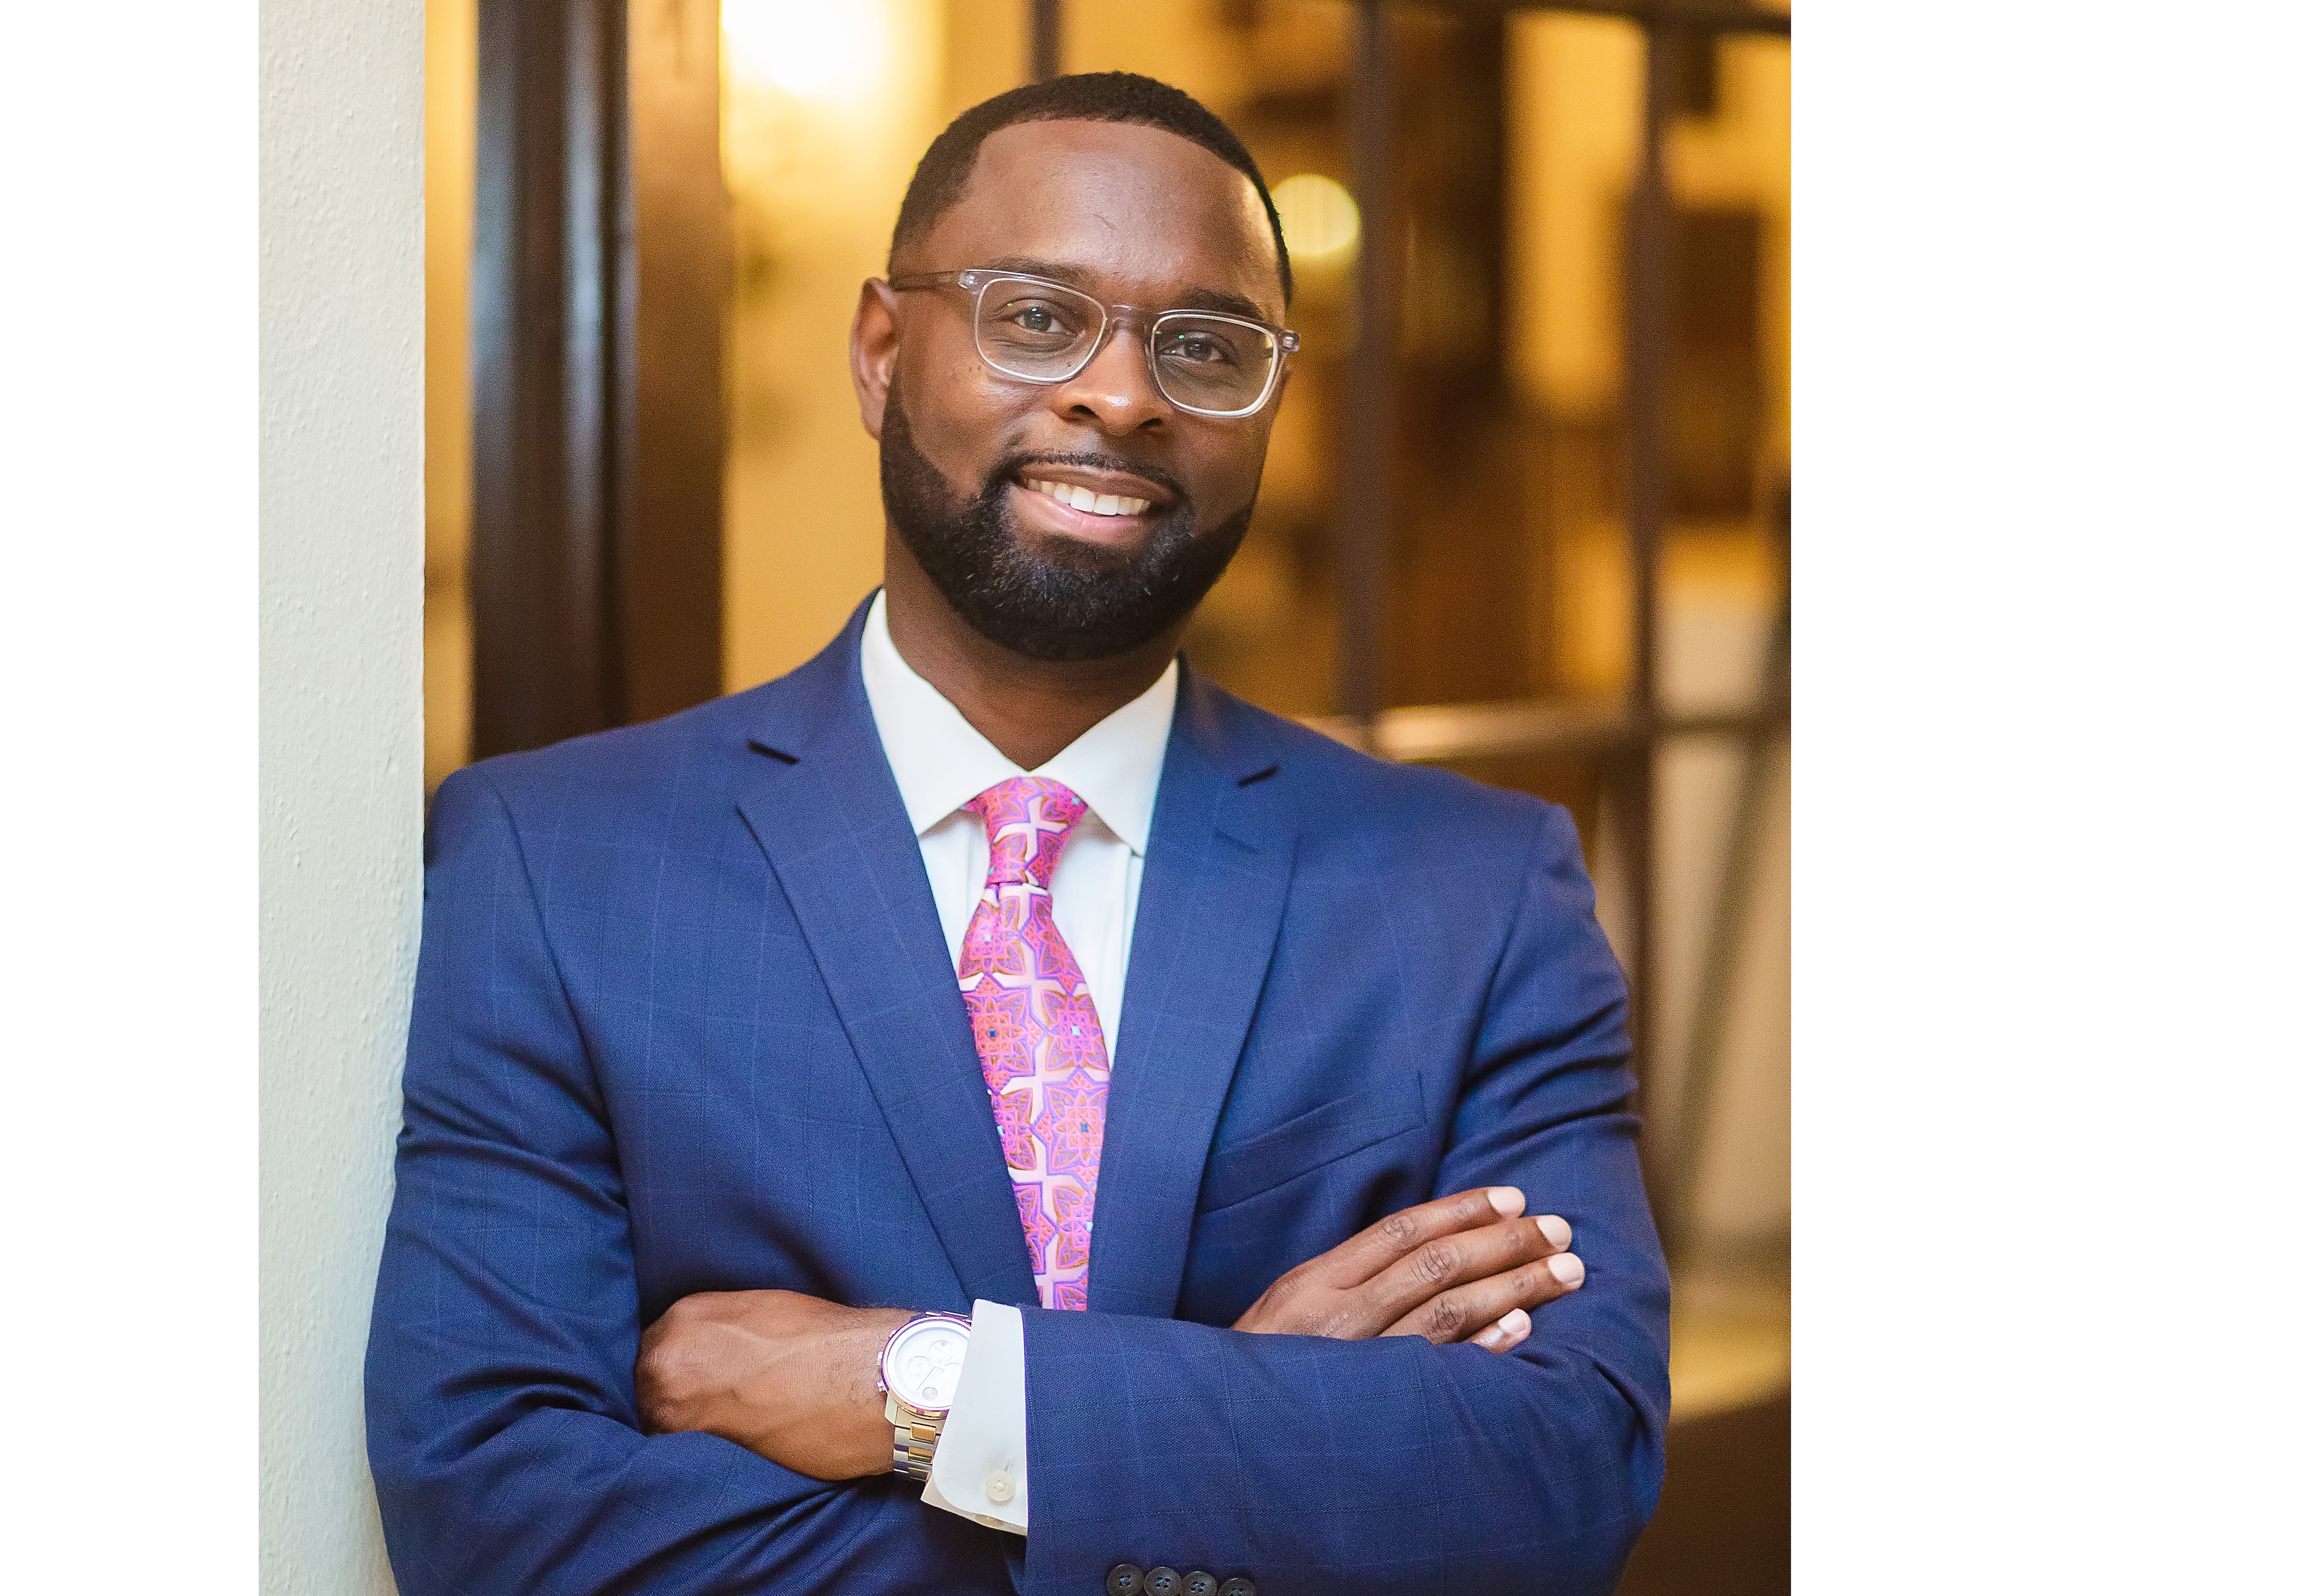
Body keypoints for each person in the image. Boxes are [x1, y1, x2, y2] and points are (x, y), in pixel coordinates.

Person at [367, 71, 1668, 1596]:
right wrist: (1236, 1437)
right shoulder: (555, 865)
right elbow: (501, 1520)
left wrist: (931, 1395)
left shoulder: (1476, 892)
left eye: (1206, 346)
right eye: (1039, 318)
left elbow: (1564, 1473)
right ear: (881, 353)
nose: (1122, 395)